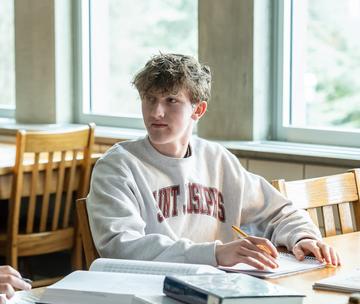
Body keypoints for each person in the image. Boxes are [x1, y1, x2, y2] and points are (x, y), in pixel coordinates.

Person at [87, 53, 340, 269]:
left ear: (198, 110)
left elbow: (278, 210)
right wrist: (215, 254)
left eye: (171, 100)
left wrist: (301, 237)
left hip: (219, 290)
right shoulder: (117, 166)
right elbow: (120, 247)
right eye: (149, 99)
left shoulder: (217, 159)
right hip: (147, 296)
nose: (156, 112)